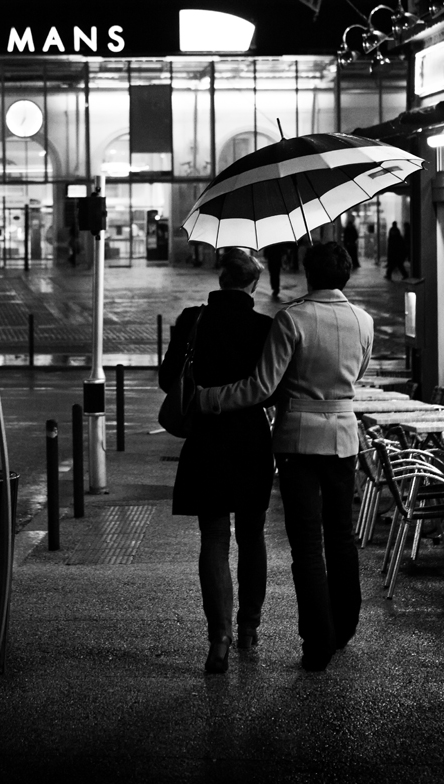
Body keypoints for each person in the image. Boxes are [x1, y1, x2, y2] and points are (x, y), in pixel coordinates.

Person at [196, 242, 373, 672]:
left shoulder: (291, 319)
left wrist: (212, 399)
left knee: (308, 545)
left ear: (307, 275)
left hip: (297, 442)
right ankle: (344, 624)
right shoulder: (363, 320)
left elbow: (261, 386)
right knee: (341, 537)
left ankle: (318, 642)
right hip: (344, 438)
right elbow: (359, 374)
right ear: (346, 276)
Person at [159, 249, 274, 674]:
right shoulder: (265, 326)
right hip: (249, 440)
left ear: (221, 279)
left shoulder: (193, 320)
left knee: (213, 536)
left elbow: (167, 378)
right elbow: (273, 389)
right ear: (253, 285)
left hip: (205, 438)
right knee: (252, 533)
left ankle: (218, 641)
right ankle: (249, 628)